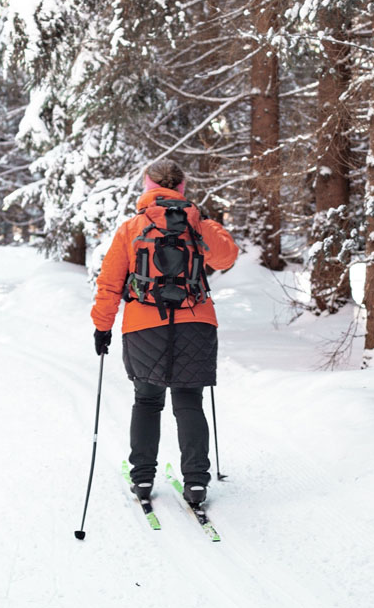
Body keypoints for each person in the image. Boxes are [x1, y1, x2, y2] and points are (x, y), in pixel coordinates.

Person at [90, 160, 239, 507]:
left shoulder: (132, 228)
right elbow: (226, 257)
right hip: (196, 322)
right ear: (182, 188)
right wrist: (202, 221)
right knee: (189, 400)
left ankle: (142, 478)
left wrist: (102, 327)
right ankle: (197, 483)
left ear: (148, 188)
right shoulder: (197, 225)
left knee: (147, 400)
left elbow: (110, 284)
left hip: (143, 326)